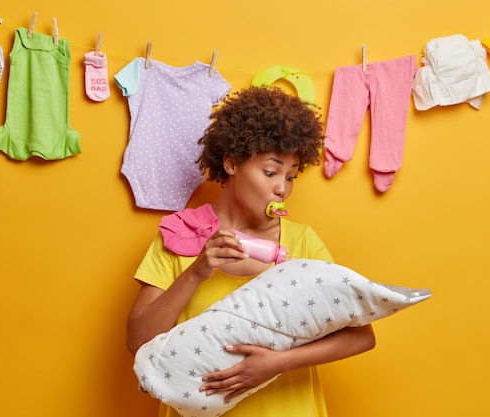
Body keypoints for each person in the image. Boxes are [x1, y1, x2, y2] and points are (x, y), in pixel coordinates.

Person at [126, 86, 376, 417]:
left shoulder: (303, 242)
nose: (282, 188)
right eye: (270, 172)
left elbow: (361, 336)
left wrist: (277, 363)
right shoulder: (179, 235)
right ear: (231, 163)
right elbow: (138, 341)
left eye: (291, 175)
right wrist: (197, 272)